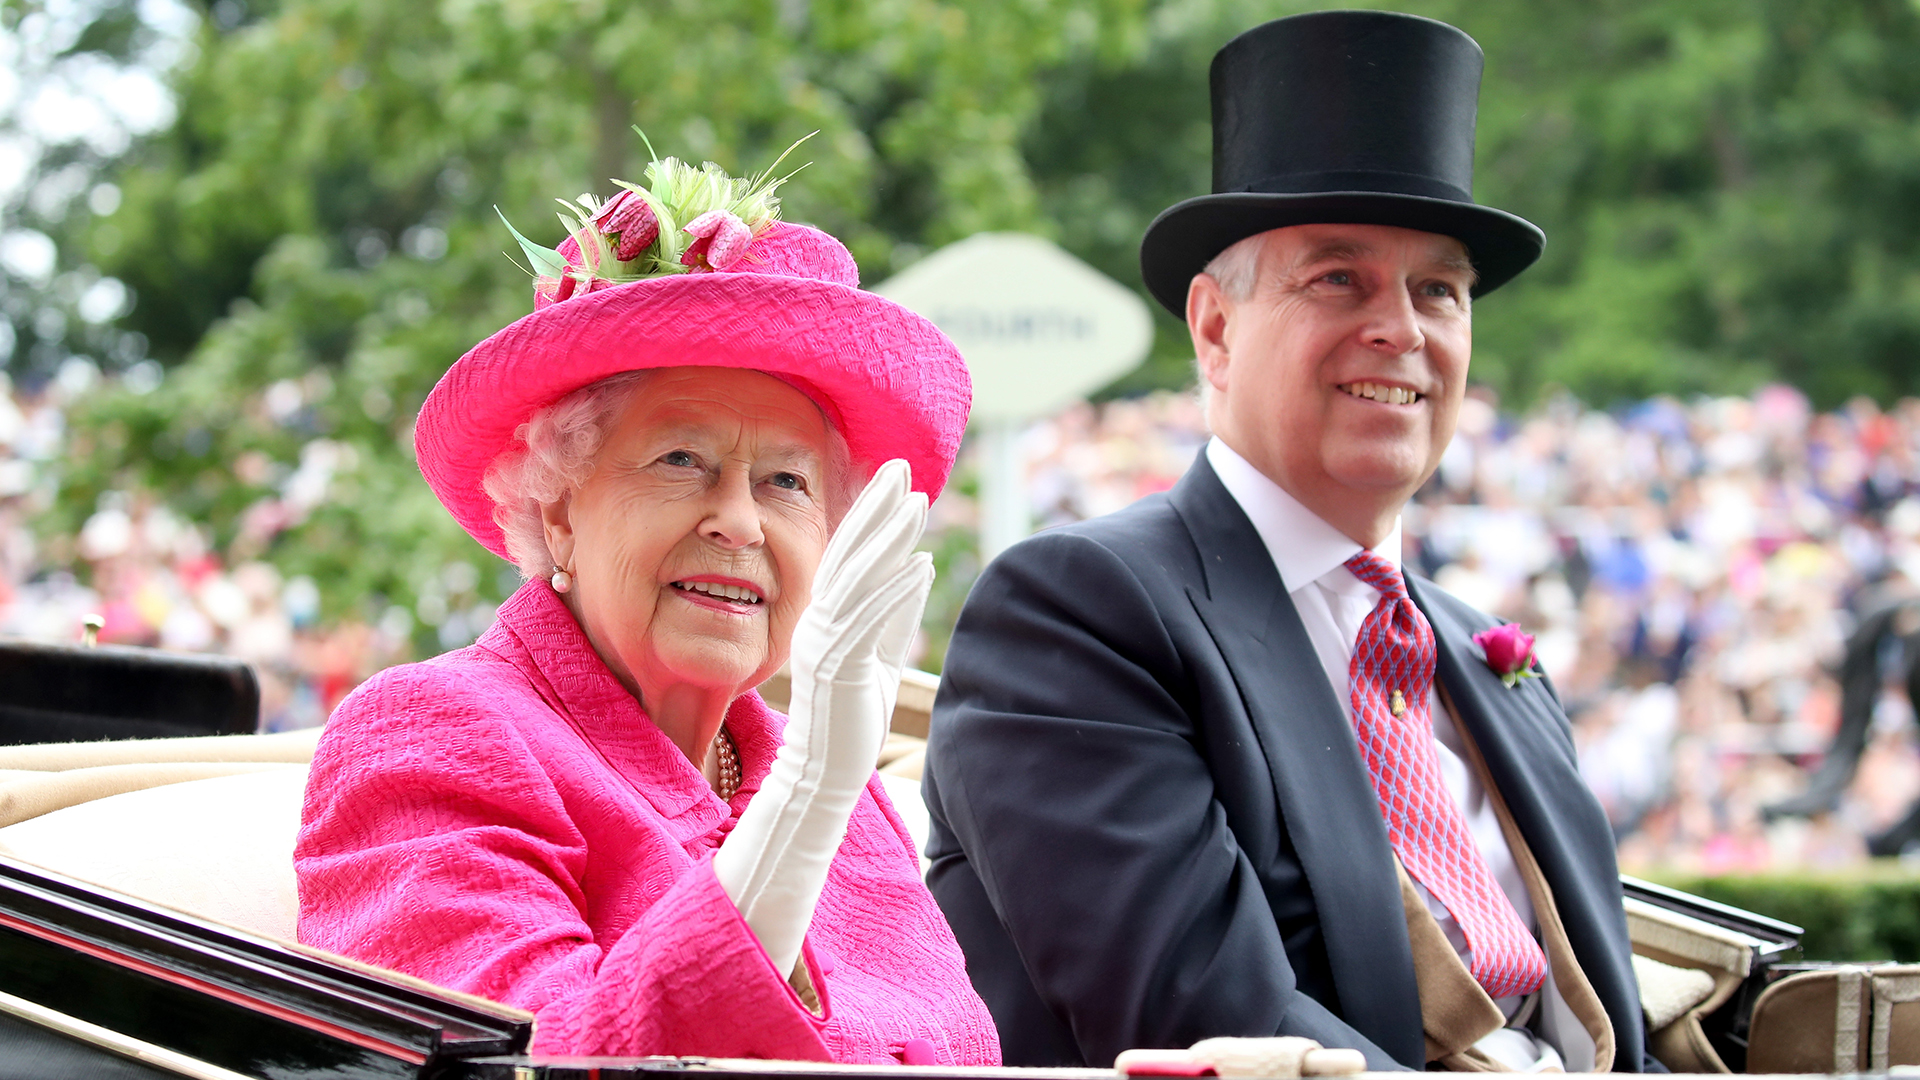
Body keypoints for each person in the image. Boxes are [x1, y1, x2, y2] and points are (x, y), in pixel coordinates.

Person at [923, 11, 1658, 1074]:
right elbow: (1205, 1019)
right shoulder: (1081, 614)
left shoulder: (1495, 661)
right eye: (1338, 280)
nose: (1401, 329)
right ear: (1215, 329)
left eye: (1437, 291)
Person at [295, 142, 998, 1065]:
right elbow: (536, 1064)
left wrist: (818, 784)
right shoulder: (425, 733)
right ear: (557, 506)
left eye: (786, 482)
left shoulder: (826, 777)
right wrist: (803, 802)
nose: (740, 522)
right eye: (681, 461)